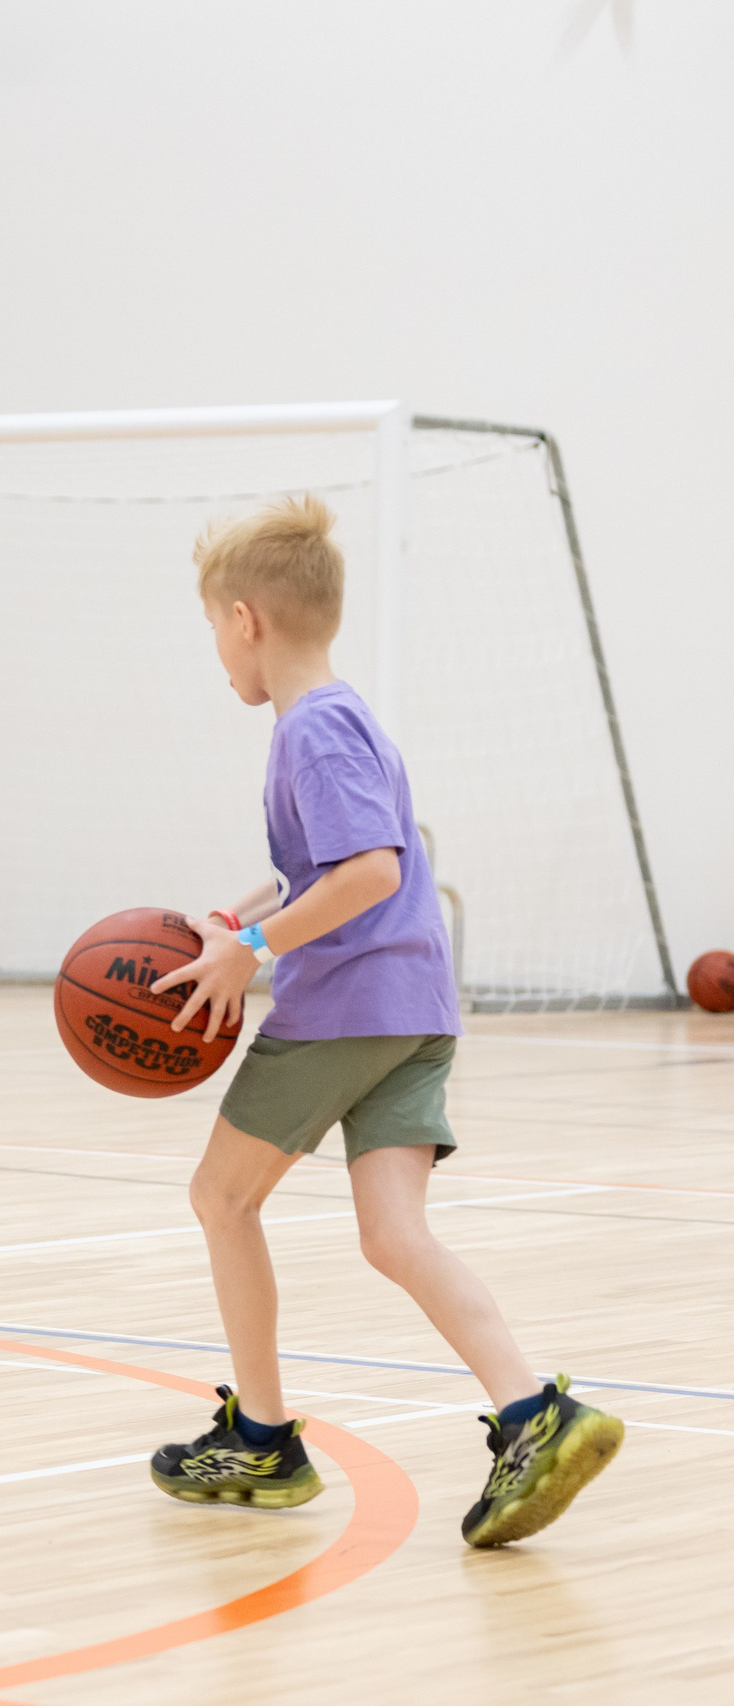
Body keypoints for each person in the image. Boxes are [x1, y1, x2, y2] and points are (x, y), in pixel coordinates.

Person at [148, 494, 621, 1548]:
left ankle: (263, 1436)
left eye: (211, 630)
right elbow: (319, 870)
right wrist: (239, 916)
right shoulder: (344, 716)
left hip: (344, 1010)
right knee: (394, 1233)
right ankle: (533, 1412)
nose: (217, 650)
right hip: (415, 1007)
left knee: (219, 1197)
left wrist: (257, 954)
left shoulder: (311, 731)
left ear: (243, 619)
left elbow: (370, 869)